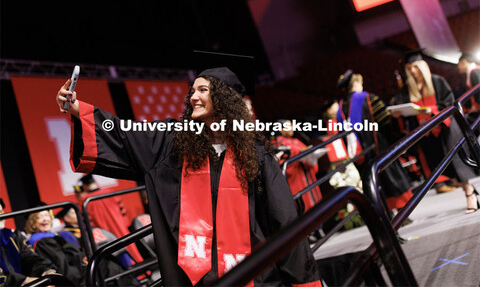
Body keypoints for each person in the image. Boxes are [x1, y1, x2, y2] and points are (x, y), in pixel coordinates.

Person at [56, 67, 321, 286]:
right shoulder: (172, 144)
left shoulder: (255, 155)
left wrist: (303, 281)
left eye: (202, 90)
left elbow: (282, 219)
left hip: (255, 273)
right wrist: (77, 108)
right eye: (192, 91)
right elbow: (126, 134)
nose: (193, 97)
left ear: (224, 99)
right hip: (195, 277)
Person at [393, 52, 479, 213]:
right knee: (444, 170)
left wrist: (430, 110)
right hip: (427, 133)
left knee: (457, 163)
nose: (413, 71)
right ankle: (469, 190)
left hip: (446, 128)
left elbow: (448, 102)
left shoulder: (437, 81)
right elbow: (402, 107)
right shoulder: (407, 90)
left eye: (415, 67)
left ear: (422, 67)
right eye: (410, 68)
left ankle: (470, 194)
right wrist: (399, 113)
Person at [337, 70, 413, 211]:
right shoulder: (366, 98)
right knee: (389, 176)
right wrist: (394, 119)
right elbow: (385, 122)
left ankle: (384, 212)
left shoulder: (340, 107)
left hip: (359, 152)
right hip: (378, 145)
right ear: (355, 83)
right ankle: (401, 209)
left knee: (372, 180)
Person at [74, 173, 144, 264]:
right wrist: (124, 225)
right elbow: (123, 212)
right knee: (130, 248)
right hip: (121, 228)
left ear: (84, 186)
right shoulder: (111, 192)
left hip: (105, 234)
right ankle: (143, 271)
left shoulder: (85, 201)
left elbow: (88, 223)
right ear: (94, 181)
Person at [0, 199, 57, 286]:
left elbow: (31, 258)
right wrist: (25, 280)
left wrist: (46, 271)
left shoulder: (13, 236)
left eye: (1, 212)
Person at [25, 209, 87, 286]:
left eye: (47, 215)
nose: (45, 219)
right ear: (33, 223)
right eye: (40, 217)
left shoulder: (56, 235)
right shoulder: (39, 241)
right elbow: (61, 263)